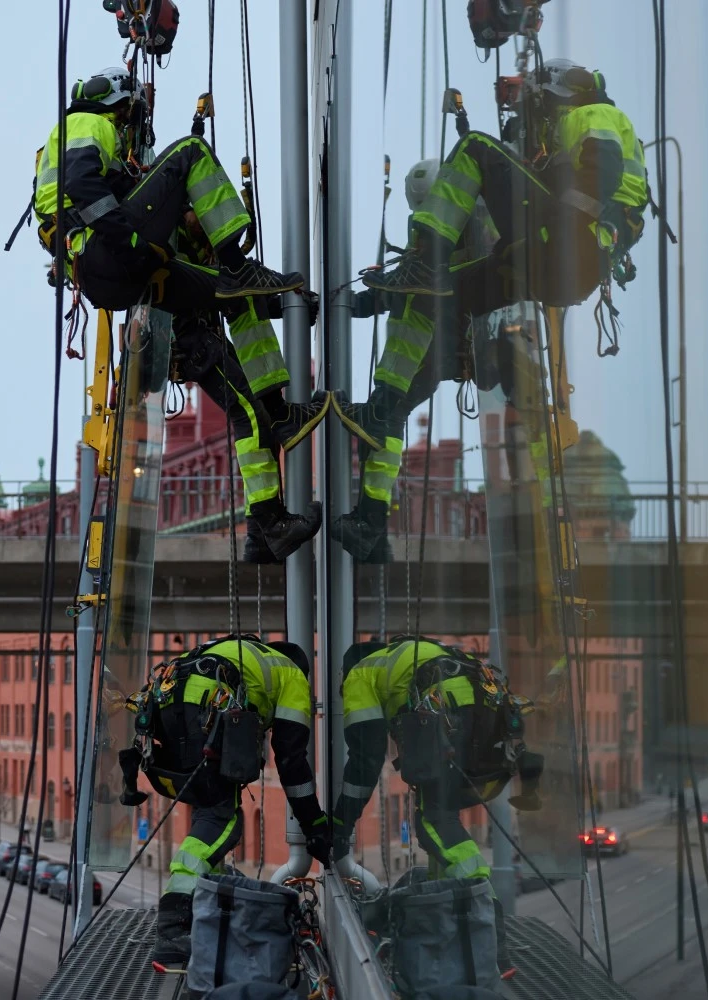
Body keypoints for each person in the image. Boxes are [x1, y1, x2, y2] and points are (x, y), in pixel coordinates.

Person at [331, 59, 649, 562]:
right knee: (393, 395)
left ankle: (384, 517)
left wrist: (555, 223)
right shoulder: (565, 142)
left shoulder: (592, 118)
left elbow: (596, 171)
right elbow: (452, 284)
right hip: (549, 265)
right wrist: (374, 298)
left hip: (560, 248)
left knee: (475, 149)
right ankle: (370, 526)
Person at [35, 66, 330, 560]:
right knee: (192, 156)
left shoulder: (79, 154)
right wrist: (128, 239)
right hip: (137, 283)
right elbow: (83, 185)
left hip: (123, 275)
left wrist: (287, 302)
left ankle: (268, 513)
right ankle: (269, 512)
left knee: (239, 314)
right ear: (121, 105)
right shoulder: (90, 125)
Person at [118, 635, 334, 971]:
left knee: (209, 808)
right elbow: (292, 760)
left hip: (168, 705)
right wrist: (315, 825)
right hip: (205, 709)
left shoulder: (240, 653)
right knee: (224, 820)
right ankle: (173, 929)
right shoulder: (292, 675)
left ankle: (204, 920)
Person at [329, 637, 542, 905]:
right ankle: (446, 902)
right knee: (444, 805)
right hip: (485, 706)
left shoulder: (360, 674)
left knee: (434, 820)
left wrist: (340, 825)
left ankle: (481, 900)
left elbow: (366, 759)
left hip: (446, 711)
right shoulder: (408, 654)